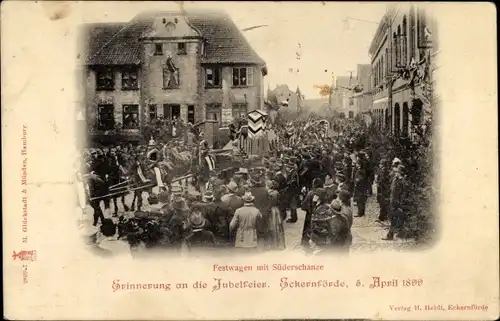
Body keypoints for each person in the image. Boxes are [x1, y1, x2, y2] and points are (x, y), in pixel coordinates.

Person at [383, 164, 407, 240]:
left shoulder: (402, 181)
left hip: (397, 203)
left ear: (401, 172)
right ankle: (397, 233)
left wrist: (399, 204)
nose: (396, 173)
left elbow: (403, 193)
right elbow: (392, 190)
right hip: (393, 201)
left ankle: (391, 235)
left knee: (395, 219)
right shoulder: (396, 179)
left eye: (398, 172)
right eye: (396, 171)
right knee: (395, 218)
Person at [266, 180, 286, 250]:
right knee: (278, 226)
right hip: (277, 210)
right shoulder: (276, 192)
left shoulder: (268, 193)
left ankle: (273, 244)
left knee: (271, 226)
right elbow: (279, 202)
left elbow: (268, 203)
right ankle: (279, 244)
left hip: (271, 210)